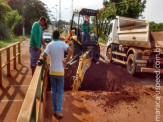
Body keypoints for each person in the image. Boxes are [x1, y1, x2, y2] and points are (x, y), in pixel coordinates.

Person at [43, 30, 72, 119]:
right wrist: (66, 61)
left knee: (53, 91)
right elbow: (70, 51)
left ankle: (54, 110)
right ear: (59, 36)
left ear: (52, 36)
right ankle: (59, 111)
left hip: (52, 72)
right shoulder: (62, 44)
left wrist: (48, 62)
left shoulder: (50, 45)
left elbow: (44, 55)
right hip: (60, 72)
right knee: (60, 92)